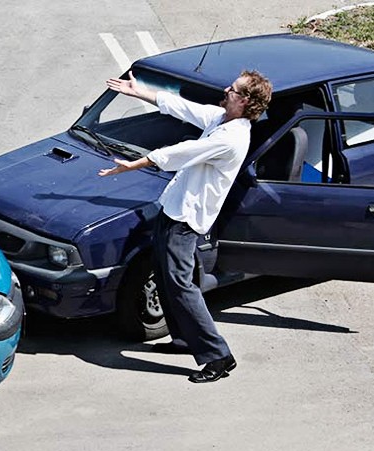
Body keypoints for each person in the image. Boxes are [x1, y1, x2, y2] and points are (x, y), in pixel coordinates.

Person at [99, 70, 272, 383]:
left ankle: (218, 356)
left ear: (244, 100)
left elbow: (182, 152)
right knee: (171, 277)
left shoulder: (230, 138)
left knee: (180, 285)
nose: (225, 89)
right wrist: (138, 92)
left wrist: (134, 164)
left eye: (232, 89)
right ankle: (182, 339)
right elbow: (181, 106)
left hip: (186, 219)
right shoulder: (222, 119)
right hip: (175, 209)